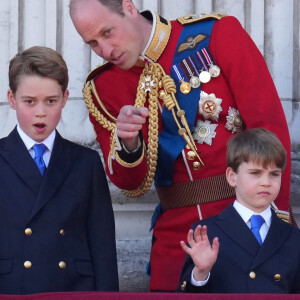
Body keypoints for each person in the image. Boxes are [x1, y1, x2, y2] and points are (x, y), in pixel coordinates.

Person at [70, 0, 292, 291]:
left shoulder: (217, 35)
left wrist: (279, 223)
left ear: (128, 7)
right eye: (93, 43)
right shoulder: (103, 89)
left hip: (246, 223)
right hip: (176, 242)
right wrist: (129, 143)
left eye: (108, 32)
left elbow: (269, 130)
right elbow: (129, 183)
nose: (105, 50)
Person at [0, 46, 119, 294]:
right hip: (12, 290)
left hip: (73, 289)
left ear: (65, 98)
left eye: (51, 101)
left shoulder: (86, 163)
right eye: (29, 102)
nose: (40, 112)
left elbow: (102, 247)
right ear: (12, 99)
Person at [178, 128, 300, 294]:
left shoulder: (293, 237)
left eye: (274, 174)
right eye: (256, 173)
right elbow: (186, 295)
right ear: (232, 176)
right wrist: (201, 273)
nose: (266, 182)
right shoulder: (207, 232)